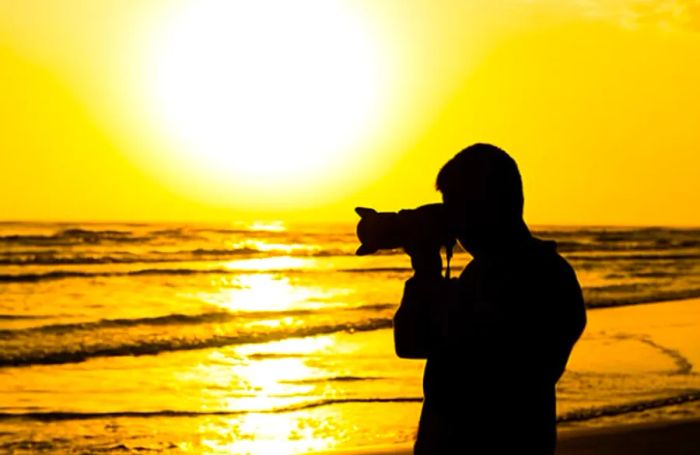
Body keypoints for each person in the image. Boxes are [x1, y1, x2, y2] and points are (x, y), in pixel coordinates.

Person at [393, 143, 587, 453]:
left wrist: (428, 274)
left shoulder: (537, 277)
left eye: (458, 206)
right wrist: (426, 270)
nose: (453, 223)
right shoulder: (490, 273)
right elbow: (413, 342)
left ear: (491, 204)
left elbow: (434, 344)